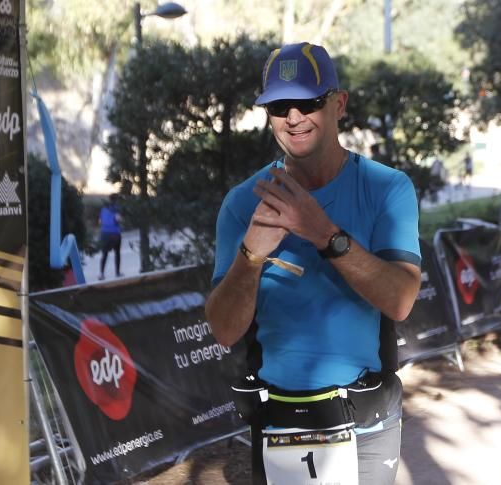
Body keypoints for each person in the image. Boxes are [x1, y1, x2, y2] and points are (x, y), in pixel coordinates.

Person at [205, 42, 421, 484]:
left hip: (364, 422)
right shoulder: (243, 203)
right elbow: (224, 330)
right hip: (277, 418)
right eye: (279, 105)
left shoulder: (386, 188)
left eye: (308, 102)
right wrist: (251, 256)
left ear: (339, 104)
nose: (293, 117)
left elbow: (400, 300)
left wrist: (322, 232)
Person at [98, 194, 123, 280]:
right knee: (117, 253)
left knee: (104, 254)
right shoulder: (117, 209)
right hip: (115, 234)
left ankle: (101, 274)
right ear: (116, 200)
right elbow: (118, 220)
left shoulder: (103, 209)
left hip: (104, 233)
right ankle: (117, 272)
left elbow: (100, 221)